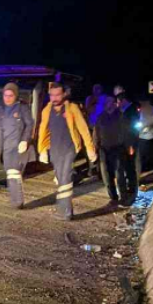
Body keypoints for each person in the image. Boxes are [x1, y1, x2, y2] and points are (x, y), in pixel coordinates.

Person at [37, 82, 98, 221]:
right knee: (60, 178)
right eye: (52, 95)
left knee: (65, 177)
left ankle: (66, 212)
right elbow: (43, 130)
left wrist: (90, 149)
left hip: (69, 148)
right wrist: (42, 150)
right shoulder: (47, 110)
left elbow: (83, 128)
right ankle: (62, 208)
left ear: (64, 94)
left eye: (57, 94)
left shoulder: (72, 108)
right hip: (54, 149)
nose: (54, 98)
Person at [0, 82, 35, 209]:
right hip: (5, 147)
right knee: (10, 173)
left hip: (18, 146)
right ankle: (16, 200)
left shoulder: (22, 108)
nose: (8, 98)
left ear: (15, 96)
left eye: (10, 95)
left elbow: (29, 124)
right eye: (5, 95)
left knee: (14, 172)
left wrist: (25, 140)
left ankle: (18, 201)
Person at [95, 95, 138, 206]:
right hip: (104, 149)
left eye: (110, 102)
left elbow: (127, 132)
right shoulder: (101, 117)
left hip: (118, 148)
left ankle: (123, 197)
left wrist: (129, 146)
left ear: (114, 103)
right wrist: (95, 147)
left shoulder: (120, 116)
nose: (108, 104)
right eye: (106, 102)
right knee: (106, 174)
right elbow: (96, 133)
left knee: (119, 173)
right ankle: (113, 197)